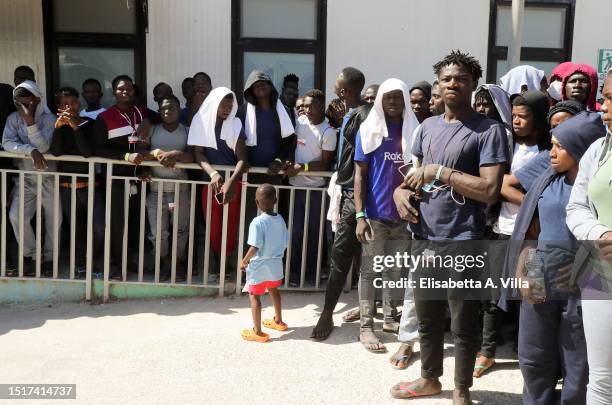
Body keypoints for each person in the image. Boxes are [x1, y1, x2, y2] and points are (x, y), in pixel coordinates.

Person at [391, 51, 508, 403]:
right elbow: (415, 178)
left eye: (460, 79)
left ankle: (461, 389)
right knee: (427, 316)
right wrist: (400, 192)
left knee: (463, 321)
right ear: (437, 85)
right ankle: (429, 379)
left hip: (464, 240)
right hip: (425, 237)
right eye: (446, 79)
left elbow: (489, 189)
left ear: (473, 84)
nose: (452, 83)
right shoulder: (427, 127)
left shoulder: (490, 131)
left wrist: (439, 172)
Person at [502, 111, 605, 405]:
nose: (553, 152)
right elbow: (530, 231)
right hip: (541, 283)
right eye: (552, 144)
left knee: (579, 367)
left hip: (585, 291)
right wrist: (524, 272)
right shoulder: (547, 180)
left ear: (582, 149)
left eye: (561, 146)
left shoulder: (598, 190)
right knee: (534, 359)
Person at [473, 90, 548, 378]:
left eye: (523, 117)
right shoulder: (506, 146)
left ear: (538, 119)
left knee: (531, 292)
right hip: (501, 228)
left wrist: (524, 201)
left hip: (534, 232)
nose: (516, 122)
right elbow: (493, 184)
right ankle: (487, 351)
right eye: (513, 116)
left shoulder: (547, 151)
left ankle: (525, 348)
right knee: (493, 293)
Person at [354, 78, 419, 353]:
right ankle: (366, 327)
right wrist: (359, 215)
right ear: (379, 100)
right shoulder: (368, 130)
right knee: (370, 272)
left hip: (405, 216)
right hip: (376, 216)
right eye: (388, 97)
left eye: (398, 97)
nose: (393, 102)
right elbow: (360, 175)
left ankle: (391, 318)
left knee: (396, 270)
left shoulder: (415, 131)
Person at [310, 67, 367, 340]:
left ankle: (368, 318)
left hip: (362, 197)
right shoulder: (348, 115)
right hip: (346, 193)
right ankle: (328, 312)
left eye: (336, 82)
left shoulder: (364, 115)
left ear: (343, 90)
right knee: (340, 257)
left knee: (368, 260)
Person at [566, 69, 612, 405]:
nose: (603, 106)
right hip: (601, 275)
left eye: (611, 99)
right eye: (605, 97)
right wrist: (599, 233)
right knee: (602, 381)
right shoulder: (598, 149)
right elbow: (576, 207)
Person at [189, 87, 249, 277]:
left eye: (230, 106)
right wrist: (214, 174)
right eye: (223, 105)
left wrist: (231, 181)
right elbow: (198, 153)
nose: (227, 109)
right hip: (211, 182)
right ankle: (217, 259)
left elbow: (242, 159)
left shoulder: (236, 124)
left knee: (230, 227)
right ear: (214, 103)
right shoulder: (200, 121)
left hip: (233, 183)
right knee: (214, 228)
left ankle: (226, 265)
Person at [93, 74, 148, 280]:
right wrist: (125, 156)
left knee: (135, 222)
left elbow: (162, 116)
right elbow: (98, 148)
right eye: (121, 89)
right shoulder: (104, 117)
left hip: (138, 179)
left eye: (130, 89)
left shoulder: (141, 112)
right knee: (116, 224)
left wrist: (149, 121)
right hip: (114, 180)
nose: (126, 92)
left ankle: (130, 261)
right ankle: (117, 265)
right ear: (114, 92)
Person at [2, 80, 59, 277]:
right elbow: (7, 143)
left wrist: (30, 123)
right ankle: (33, 255)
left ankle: (50, 258)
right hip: (25, 178)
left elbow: (44, 147)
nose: (24, 106)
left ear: (37, 99)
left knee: (54, 220)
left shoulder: (50, 118)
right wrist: (29, 150)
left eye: (28, 101)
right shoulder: (12, 119)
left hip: (49, 178)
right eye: (20, 103)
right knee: (16, 216)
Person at [50, 86, 105, 278]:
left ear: (78, 103)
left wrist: (75, 126)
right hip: (67, 188)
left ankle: (96, 260)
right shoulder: (58, 127)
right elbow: (56, 152)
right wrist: (58, 128)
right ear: (58, 107)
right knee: (76, 229)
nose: (69, 107)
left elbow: (87, 152)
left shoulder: (90, 123)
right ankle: (81, 263)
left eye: (72, 102)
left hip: (89, 186)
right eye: (64, 104)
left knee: (99, 226)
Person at [285, 89, 337, 286]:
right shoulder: (300, 123)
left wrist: (302, 168)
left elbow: (324, 163)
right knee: (296, 232)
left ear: (321, 107)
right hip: (295, 188)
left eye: (310, 106)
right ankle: (296, 274)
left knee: (313, 235)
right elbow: (290, 146)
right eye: (304, 106)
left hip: (316, 190)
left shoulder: (328, 131)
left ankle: (312, 275)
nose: (305, 110)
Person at [139, 95, 192, 282]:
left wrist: (176, 154)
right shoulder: (151, 130)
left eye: (172, 108)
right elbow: (141, 152)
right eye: (164, 109)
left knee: (180, 230)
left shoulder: (187, 130)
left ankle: (177, 264)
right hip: (156, 189)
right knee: (157, 233)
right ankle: (164, 263)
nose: (168, 111)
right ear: (159, 111)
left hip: (180, 190)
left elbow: (192, 157)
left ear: (179, 110)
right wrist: (155, 155)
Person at [240, 183, 289, 343]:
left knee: (254, 296)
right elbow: (285, 241)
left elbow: (255, 246)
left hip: (259, 266)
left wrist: (244, 261)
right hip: (275, 265)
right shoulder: (280, 218)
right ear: (275, 200)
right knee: (274, 291)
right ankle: (278, 321)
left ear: (256, 202)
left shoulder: (257, 222)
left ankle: (258, 332)